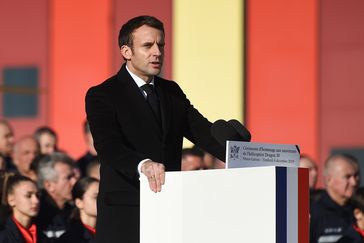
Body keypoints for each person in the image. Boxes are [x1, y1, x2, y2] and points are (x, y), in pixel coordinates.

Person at [85, 15, 234, 243]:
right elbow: (108, 146)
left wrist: (243, 154)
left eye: (160, 45)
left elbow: (203, 132)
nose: (157, 52)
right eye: (147, 45)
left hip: (168, 207)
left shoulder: (171, 91)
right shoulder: (103, 94)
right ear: (126, 51)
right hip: (126, 212)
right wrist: (143, 165)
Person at [310, 154, 359, 243]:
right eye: (347, 177)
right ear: (329, 180)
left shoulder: (360, 210)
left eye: (356, 176)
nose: (354, 182)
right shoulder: (313, 214)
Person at [36, 152, 77, 240]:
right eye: (68, 178)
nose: (74, 182)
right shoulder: (35, 213)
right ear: (49, 185)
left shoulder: (76, 212)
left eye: (74, 176)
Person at [0, 174, 49, 243]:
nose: (36, 201)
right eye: (28, 196)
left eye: (37, 196)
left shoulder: (43, 235)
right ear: (11, 200)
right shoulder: (3, 236)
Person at [57, 177, 99, 243]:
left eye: (102, 197)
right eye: (96, 197)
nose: (101, 201)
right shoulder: (70, 238)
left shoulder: (110, 231)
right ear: (79, 203)